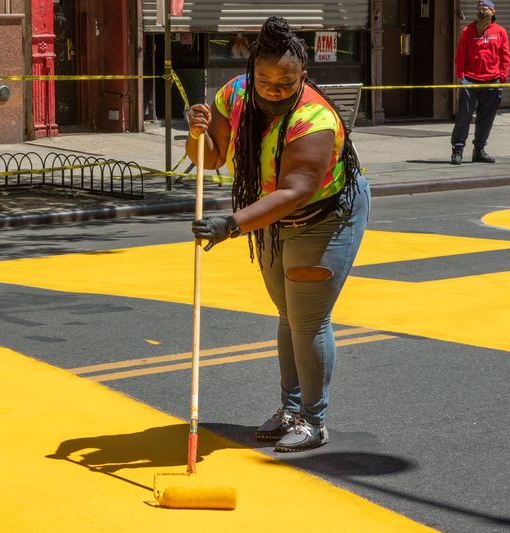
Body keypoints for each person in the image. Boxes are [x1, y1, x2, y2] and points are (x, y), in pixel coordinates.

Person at [185, 17, 370, 452]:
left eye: (285, 82)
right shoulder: (233, 95)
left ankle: (313, 419)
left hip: (324, 216)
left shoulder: (316, 119)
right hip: (270, 217)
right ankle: (289, 409)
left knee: (307, 319)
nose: (273, 88)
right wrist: (194, 133)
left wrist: (231, 224)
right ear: (251, 72)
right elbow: (209, 158)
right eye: (264, 79)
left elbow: (295, 190)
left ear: (302, 77)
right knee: (286, 314)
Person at [450, 0, 510, 165]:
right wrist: (461, 77)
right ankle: (458, 150)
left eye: (485, 9)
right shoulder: (467, 31)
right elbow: (460, 56)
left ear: (492, 11)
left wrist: (502, 77)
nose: (482, 12)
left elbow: (505, 56)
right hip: (470, 80)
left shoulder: (499, 32)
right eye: (479, 9)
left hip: (492, 81)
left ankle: (479, 150)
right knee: (464, 116)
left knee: (486, 118)